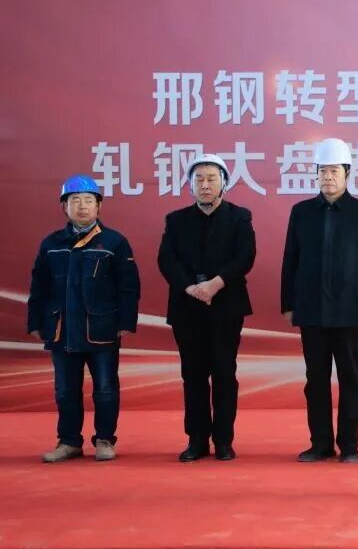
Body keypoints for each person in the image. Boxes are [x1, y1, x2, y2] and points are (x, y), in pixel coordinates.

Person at [281, 138, 358, 463]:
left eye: (334, 171)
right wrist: (288, 303)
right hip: (310, 309)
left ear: (347, 174)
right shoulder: (301, 212)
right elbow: (290, 259)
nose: (328, 177)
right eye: (323, 171)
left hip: (350, 311)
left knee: (350, 378)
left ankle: (349, 445)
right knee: (315, 380)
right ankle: (320, 443)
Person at [28, 174, 141, 462]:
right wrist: (35, 322)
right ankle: (69, 442)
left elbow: (129, 286)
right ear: (64, 206)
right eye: (74, 200)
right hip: (62, 329)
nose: (82, 206)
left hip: (101, 328)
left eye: (88, 200)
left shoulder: (114, 242)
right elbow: (39, 286)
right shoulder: (51, 243)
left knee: (105, 388)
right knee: (65, 390)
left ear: (98, 205)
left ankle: (105, 439)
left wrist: (126, 322)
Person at [157, 153, 256, 462]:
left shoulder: (240, 217)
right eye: (198, 179)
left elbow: (245, 256)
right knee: (193, 375)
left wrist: (215, 284)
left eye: (212, 178)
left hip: (226, 306)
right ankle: (197, 440)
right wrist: (190, 287)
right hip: (187, 308)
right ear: (190, 185)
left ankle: (223, 440)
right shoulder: (176, 220)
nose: (205, 184)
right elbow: (166, 260)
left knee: (224, 374)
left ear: (224, 183)